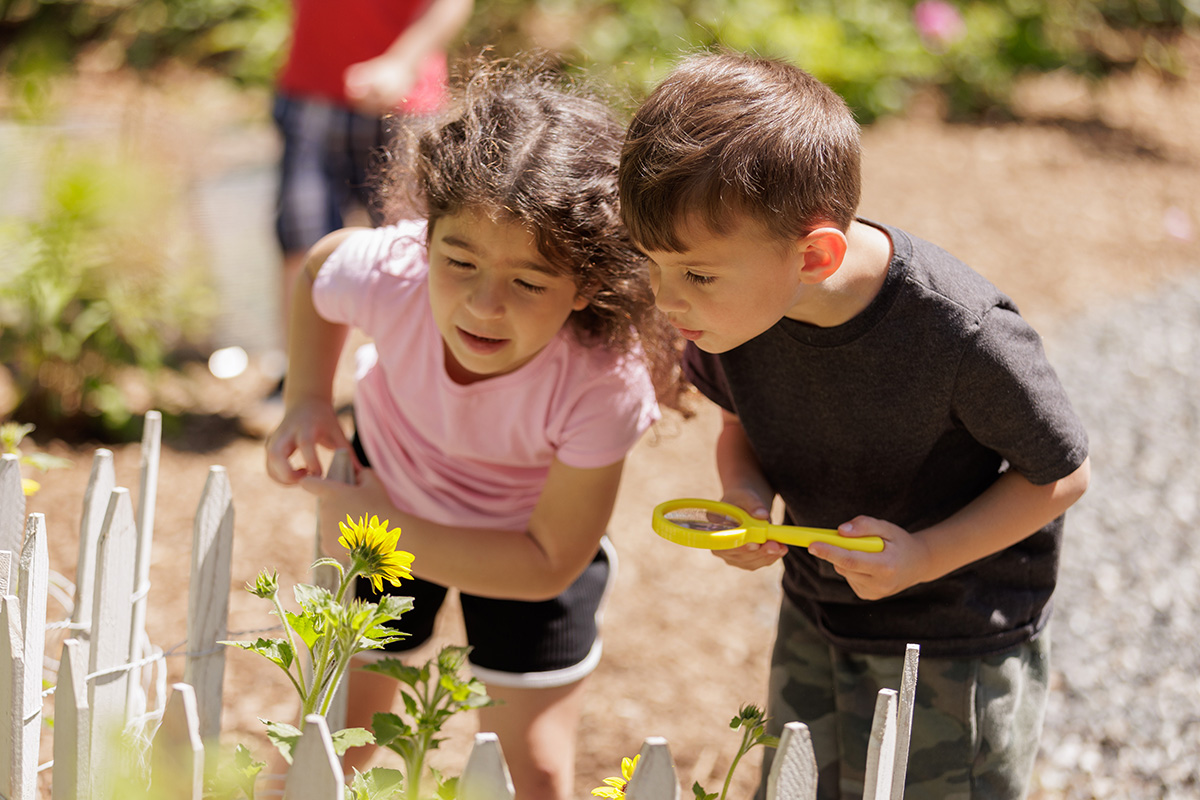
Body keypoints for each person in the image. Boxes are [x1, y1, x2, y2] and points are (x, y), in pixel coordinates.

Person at [618, 51, 1090, 800]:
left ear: (813, 255)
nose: (666, 299)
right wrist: (745, 499)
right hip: (818, 613)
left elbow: (1060, 473)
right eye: (652, 265)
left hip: (953, 639)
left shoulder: (961, 335)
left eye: (696, 274)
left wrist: (926, 555)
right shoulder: (737, 312)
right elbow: (741, 422)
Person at [265, 56, 689, 800]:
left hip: (516, 549)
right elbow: (319, 268)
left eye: (528, 282)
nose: (485, 306)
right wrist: (306, 396)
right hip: (391, 490)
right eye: (459, 261)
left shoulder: (601, 382)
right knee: (342, 735)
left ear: (587, 284)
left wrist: (379, 526)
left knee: (535, 768)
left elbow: (551, 562)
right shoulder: (393, 275)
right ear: (427, 240)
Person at [264, 0, 474, 399]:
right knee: (299, 236)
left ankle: (408, 390)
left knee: (414, 249)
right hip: (310, 90)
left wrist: (402, 63)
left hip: (408, 102)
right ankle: (297, 384)